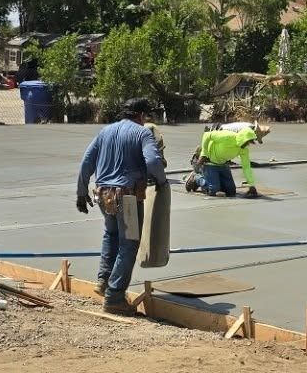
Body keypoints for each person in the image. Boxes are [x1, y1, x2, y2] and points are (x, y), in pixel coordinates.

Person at [76, 98, 168, 314]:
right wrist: (162, 182)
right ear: (141, 115)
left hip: (103, 195)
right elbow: (153, 162)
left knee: (111, 234)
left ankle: (104, 280)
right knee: (129, 245)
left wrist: (81, 193)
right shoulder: (142, 133)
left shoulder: (105, 132)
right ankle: (115, 297)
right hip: (127, 198)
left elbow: (86, 162)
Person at [186, 123, 261, 198]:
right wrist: (204, 154)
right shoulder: (227, 136)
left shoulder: (243, 150)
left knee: (231, 191)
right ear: (242, 138)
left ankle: (215, 181)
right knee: (213, 190)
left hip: (223, 164)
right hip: (209, 162)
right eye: (247, 142)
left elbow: (246, 167)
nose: (248, 145)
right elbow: (207, 135)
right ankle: (196, 178)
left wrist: (251, 186)